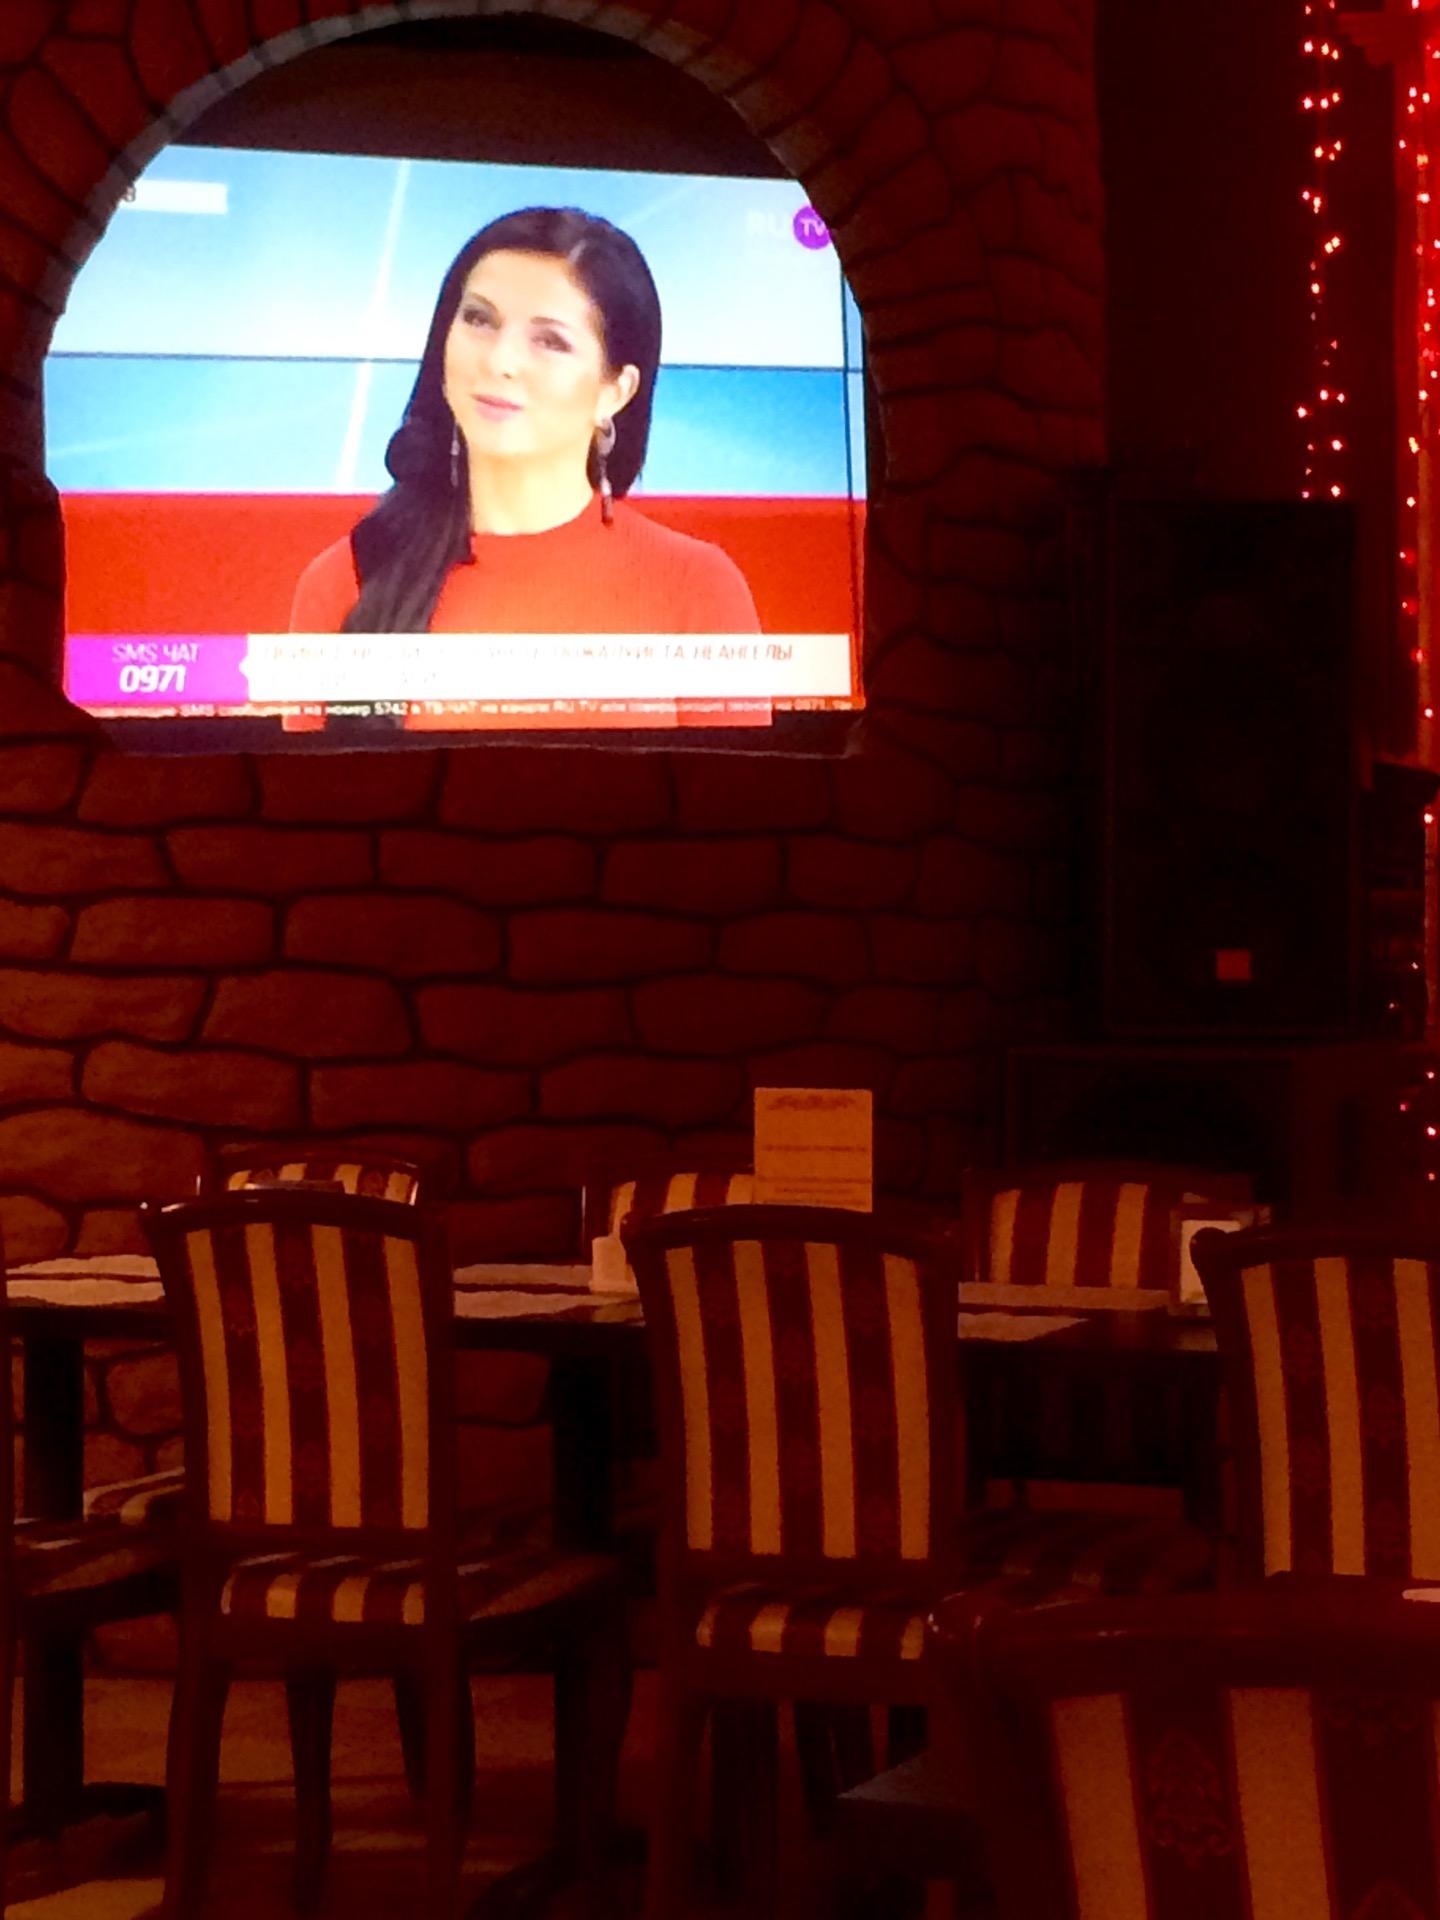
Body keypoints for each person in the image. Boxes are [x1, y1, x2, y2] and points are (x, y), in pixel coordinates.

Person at [290, 205, 761, 636]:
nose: (500, 361)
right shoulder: (351, 577)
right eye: (479, 319)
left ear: (616, 391)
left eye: (550, 341)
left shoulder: (697, 586)